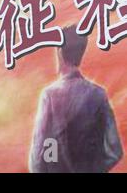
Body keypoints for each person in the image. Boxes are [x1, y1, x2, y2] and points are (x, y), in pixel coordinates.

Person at [29, 25, 124, 173]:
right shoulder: (99, 95)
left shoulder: (50, 95)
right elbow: (115, 151)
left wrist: (54, 165)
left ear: (59, 52)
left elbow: (38, 155)